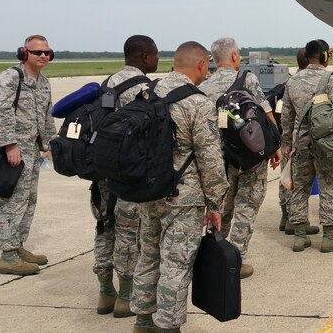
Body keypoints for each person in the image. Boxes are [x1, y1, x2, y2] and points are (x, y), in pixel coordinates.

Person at [131, 41, 228, 333]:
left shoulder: (147, 93)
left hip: (147, 192)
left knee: (148, 256)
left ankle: (143, 321)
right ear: (202, 64)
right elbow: (210, 159)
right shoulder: (197, 102)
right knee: (176, 264)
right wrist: (215, 205)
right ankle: (168, 327)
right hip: (184, 199)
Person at [198, 38, 282, 280]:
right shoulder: (247, 79)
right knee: (247, 207)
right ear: (235, 55)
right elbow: (265, 114)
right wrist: (274, 147)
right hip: (250, 155)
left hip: (220, 158)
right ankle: (236, 259)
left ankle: (216, 256)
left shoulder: (205, 85)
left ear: (214, 59)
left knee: (220, 208)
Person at [93, 35, 158, 316]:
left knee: (104, 226)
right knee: (129, 232)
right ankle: (126, 295)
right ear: (144, 57)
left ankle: (105, 291)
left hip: (102, 170)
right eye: (155, 55)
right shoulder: (144, 88)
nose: (157, 59)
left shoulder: (107, 84)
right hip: (130, 173)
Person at [279, 40, 333, 253]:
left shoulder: (292, 81)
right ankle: (329, 236)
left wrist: (287, 143)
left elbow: (286, 118)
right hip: (327, 144)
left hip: (301, 143)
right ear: (324, 56)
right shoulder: (329, 80)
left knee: (299, 188)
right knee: (330, 186)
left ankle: (300, 236)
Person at [0, 34, 57, 276]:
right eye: (37, 52)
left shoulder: (43, 82)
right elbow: (0, 113)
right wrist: (9, 145)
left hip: (31, 150)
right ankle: (8, 254)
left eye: (47, 52)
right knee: (13, 201)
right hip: (15, 150)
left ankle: (18, 246)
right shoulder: (10, 78)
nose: (43, 56)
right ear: (24, 53)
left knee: (29, 199)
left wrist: (49, 144)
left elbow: (47, 115)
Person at [276, 49, 319, 238]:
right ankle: (299, 222)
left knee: (288, 179)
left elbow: (285, 117)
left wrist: (285, 142)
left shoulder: (288, 83)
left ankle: (286, 218)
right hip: (313, 140)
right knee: (304, 183)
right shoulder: (321, 81)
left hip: (291, 140)